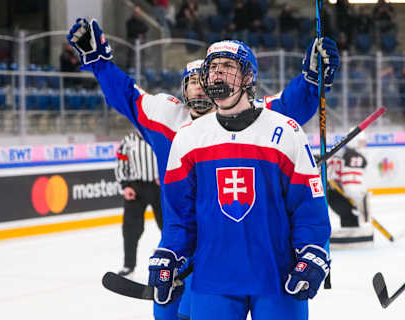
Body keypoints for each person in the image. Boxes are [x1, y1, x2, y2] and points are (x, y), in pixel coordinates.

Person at [67, 18, 339, 320]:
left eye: (210, 74)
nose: (203, 83)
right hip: (190, 250)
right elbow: (126, 96)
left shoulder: (260, 117)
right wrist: (100, 62)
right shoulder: (171, 122)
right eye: (196, 77)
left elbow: (292, 105)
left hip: (252, 252)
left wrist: (313, 79)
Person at [150, 40, 332, 320]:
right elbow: (179, 217)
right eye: (212, 68)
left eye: (227, 66)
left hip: (277, 275)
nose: (217, 74)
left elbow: (308, 208)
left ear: (248, 77)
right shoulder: (188, 138)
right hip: (213, 277)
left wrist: (312, 249)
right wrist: (169, 253)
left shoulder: (285, 131)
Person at [114, 130, 162, 277]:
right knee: (130, 229)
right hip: (136, 188)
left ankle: (174, 261)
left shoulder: (158, 135)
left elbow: (169, 157)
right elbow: (121, 164)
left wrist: (165, 177)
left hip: (159, 187)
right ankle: (129, 265)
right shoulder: (128, 140)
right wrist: (125, 185)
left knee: (168, 226)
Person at [327, 132, 373, 247]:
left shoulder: (341, 153)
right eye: (362, 142)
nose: (364, 145)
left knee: (348, 217)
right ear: (355, 142)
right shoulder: (354, 156)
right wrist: (359, 201)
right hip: (339, 194)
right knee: (352, 217)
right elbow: (351, 184)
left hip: (330, 192)